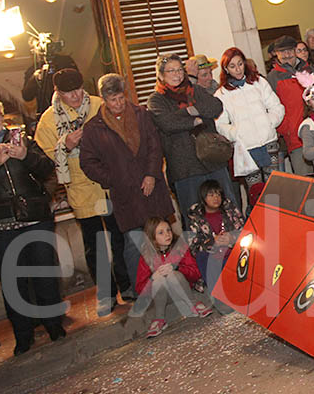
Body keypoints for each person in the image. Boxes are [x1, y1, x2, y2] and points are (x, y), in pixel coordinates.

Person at [0, 97, 66, 356]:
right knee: (13, 281)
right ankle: (23, 335)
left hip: (35, 217)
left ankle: (54, 326)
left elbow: (48, 168)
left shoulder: (23, 140)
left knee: (45, 272)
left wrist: (26, 156)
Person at [35, 69, 132, 316]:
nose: (76, 96)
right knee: (94, 245)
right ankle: (107, 294)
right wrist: (64, 146)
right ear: (58, 92)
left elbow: (125, 133)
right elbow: (42, 163)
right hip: (80, 188)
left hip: (110, 185)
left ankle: (127, 285)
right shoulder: (48, 120)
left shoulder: (99, 105)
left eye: (79, 89)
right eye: (69, 92)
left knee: (120, 237)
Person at [80, 73, 175, 291]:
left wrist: (151, 173)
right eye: (113, 100)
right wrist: (113, 179)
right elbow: (87, 162)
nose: (118, 103)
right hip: (125, 195)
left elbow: (154, 145)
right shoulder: (94, 128)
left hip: (152, 189)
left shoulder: (141, 114)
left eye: (121, 98)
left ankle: (172, 283)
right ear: (104, 99)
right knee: (133, 245)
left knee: (163, 238)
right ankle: (140, 289)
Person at [147, 54, 238, 213]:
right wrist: (194, 120)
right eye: (171, 71)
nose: (177, 74)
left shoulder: (194, 89)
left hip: (212, 158)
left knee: (228, 210)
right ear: (161, 75)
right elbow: (167, 123)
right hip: (185, 168)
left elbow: (215, 106)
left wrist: (189, 110)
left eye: (179, 70)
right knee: (195, 217)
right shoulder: (156, 100)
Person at [214, 47, 284, 187]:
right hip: (245, 148)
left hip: (268, 141)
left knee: (275, 187)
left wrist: (268, 123)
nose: (238, 69)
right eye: (232, 66)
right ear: (226, 69)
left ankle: (276, 209)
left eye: (240, 64)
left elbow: (277, 107)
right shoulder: (221, 94)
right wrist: (237, 133)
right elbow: (220, 124)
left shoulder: (259, 82)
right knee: (255, 190)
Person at [133, 217, 212, 338]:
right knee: (159, 279)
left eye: (168, 230)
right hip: (163, 295)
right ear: (152, 237)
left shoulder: (179, 247)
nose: (167, 234)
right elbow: (140, 288)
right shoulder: (147, 255)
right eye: (161, 232)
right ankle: (160, 318)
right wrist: (152, 278)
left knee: (172, 274)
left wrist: (177, 268)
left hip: (182, 287)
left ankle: (193, 304)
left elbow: (196, 272)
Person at [266, 36, 314, 176]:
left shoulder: (309, 70)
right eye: (282, 52)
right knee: (306, 180)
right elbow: (270, 109)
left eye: (289, 50)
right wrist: (286, 129)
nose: (286, 55)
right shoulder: (273, 78)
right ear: (276, 54)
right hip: (295, 138)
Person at [186, 180, 243, 292]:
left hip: (232, 254)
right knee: (203, 257)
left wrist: (232, 238)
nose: (216, 198)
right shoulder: (197, 218)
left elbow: (244, 231)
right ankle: (218, 295)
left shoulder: (229, 211)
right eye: (211, 195)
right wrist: (213, 242)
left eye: (218, 194)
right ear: (203, 198)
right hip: (212, 257)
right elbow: (194, 247)